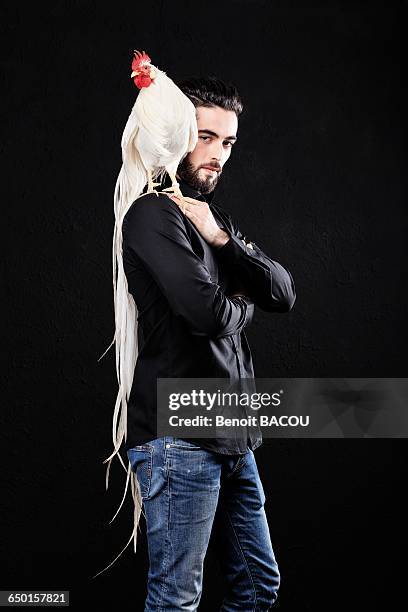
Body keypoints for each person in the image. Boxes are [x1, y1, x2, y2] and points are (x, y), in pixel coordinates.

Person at [122, 76, 295, 610]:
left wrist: (223, 239)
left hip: (232, 434)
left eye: (228, 142)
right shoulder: (151, 217)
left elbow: (283, 292)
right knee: (176, 600)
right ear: (174, 134)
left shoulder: (210, 219)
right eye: (205, 137)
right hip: (180, 440)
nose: (218, 154)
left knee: (258, 587)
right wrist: (241, 304)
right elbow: (208, 315)